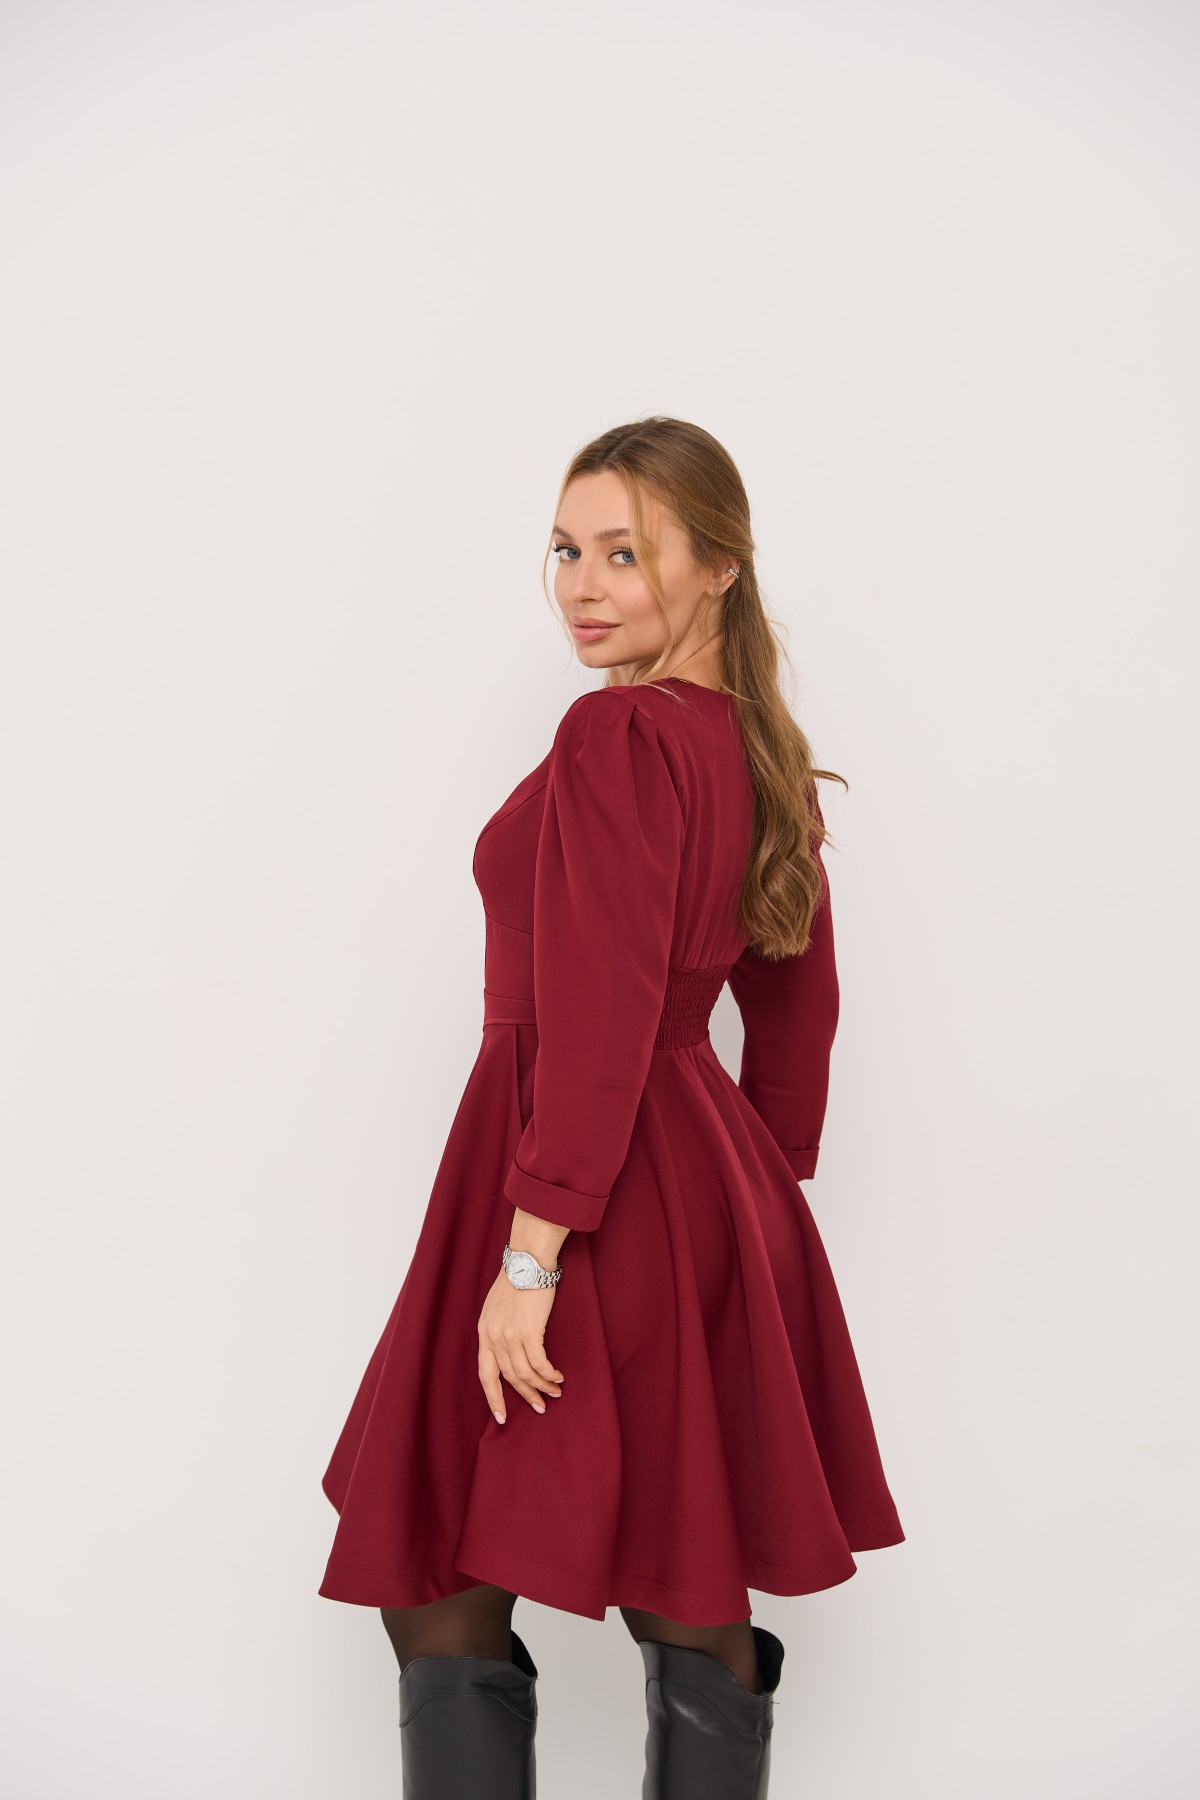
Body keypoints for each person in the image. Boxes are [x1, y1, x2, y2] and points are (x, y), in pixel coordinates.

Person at [318, 416, 905, 1798]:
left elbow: (597, 1013)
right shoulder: (753, 747)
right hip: (689, 1178)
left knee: (442, 1575)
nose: (583, 586)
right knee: (676, 1563)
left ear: (719, 567)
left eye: (625, 553)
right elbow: (798, 1007)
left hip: (570, 1173)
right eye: (566, 550)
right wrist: (756, 1194)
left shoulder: (616, 731)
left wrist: (531, 1257)